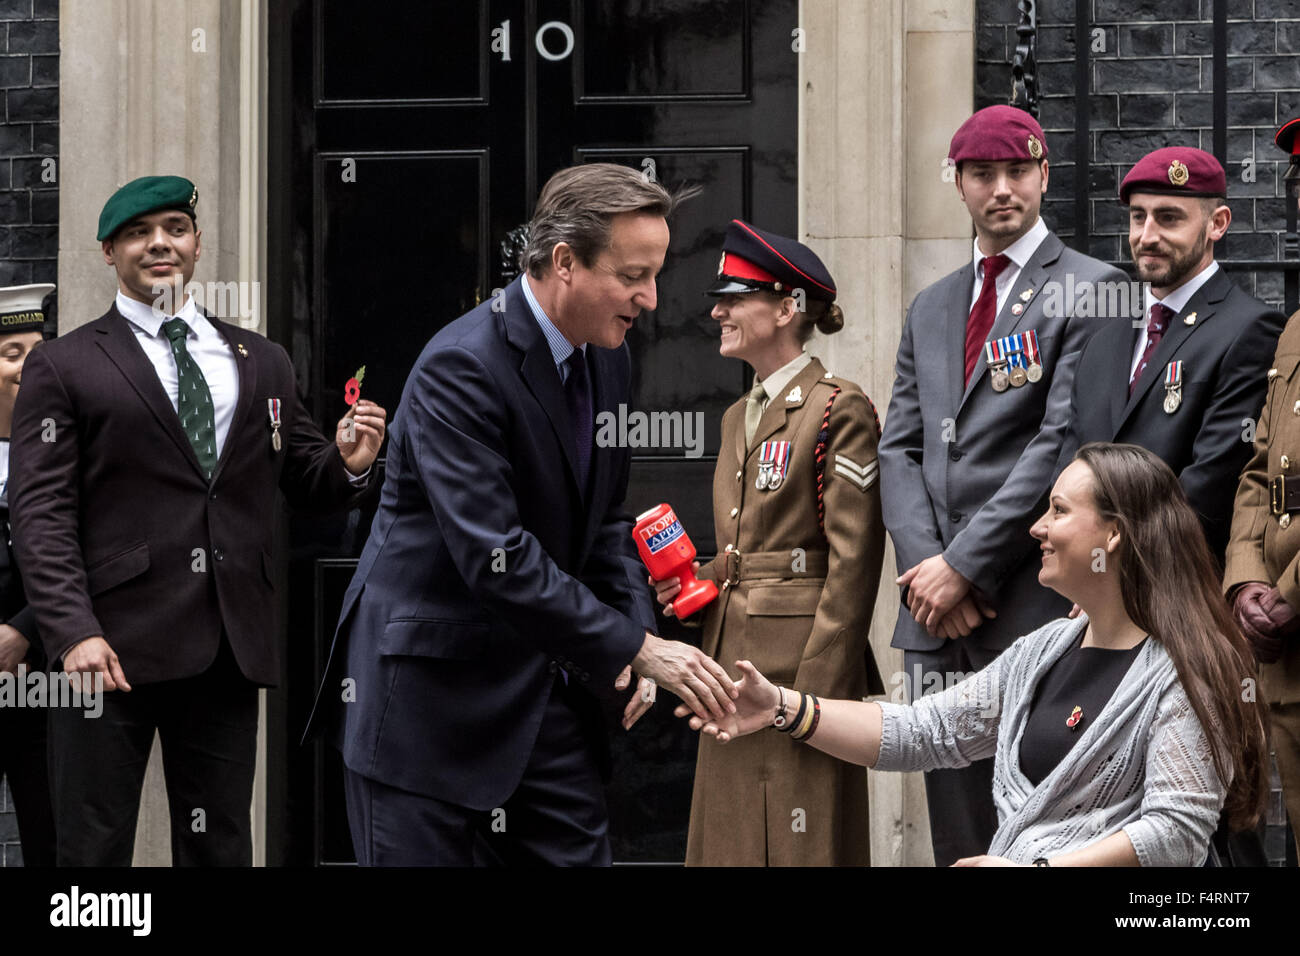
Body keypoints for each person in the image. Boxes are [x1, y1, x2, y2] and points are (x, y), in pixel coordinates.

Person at [304, 162, 737, 867]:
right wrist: (637, 648)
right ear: (564, 261)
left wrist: (627, 638)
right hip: (426, 709)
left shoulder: (610, 360)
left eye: (655, 274)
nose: (651, 299)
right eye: (633, 275)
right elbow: (494, 554)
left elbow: (603, 522)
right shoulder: (460, 367)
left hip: (545, 696)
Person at [9, 175, 387, 866]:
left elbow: (305, 476)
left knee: (220, 847)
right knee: (90, 852)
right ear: (109, 252)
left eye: (175, 229)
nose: (160, 244)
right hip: (108, 649)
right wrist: (70, 633)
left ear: (197, 243)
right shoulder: (64, 366)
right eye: (138, 233)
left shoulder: (261, 358)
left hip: (226, 646)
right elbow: (41, 513)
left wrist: (351, 463)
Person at [679, 442, 1269, 867]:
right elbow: (922, 731)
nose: (1037, 527)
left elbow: (1175, 834)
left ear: (1113, 535)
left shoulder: (1185, 671)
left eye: (1059, 511)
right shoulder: (1043, 650)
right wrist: (781, 707)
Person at [877, 104, 1127, 866]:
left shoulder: (1096, 289)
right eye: (982, 173)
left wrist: (966, 566)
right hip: (937, 612)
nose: (1002, 188)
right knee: (955, 822)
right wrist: (929, 573)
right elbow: (899, 448)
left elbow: (1065, 443)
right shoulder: (932, 305)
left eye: (1018, 170)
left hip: (1032, 597)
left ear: (1044, 175)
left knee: (1043, 818)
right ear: (957, 182)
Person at [653, 219, 885, 865]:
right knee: (730, 833)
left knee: (799, 838)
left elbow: (855, 559)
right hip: (731, 654)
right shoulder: (737, 415)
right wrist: (692, 578)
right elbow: (749, 545)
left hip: (801, 661)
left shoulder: (839, 406)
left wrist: (814, 693)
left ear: (787, 309)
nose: (718, 311)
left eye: (736, 298)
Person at [1058, 146, 1285, 560]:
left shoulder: (1249, 329)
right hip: (1088, 591)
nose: (1147, 236)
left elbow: (1210, 485)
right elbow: (1070, 464)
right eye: (1138, 216)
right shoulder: (1104, 336)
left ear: (1217, 224)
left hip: (1175, 587)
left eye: (1169, 218)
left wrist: (1114, 563)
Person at [1222, 116, 1300, 863]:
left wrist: (1288, 592)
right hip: (1285, 654)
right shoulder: (1297, 331)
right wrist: (1246, 576)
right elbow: (1260, 471)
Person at [0, 283, 55, 866]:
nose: (26, 368)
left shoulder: (69, 451)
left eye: (38, 354)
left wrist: (22, 629)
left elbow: (89, 553)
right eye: (11, 353)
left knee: (53, 834)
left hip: (46, 681)